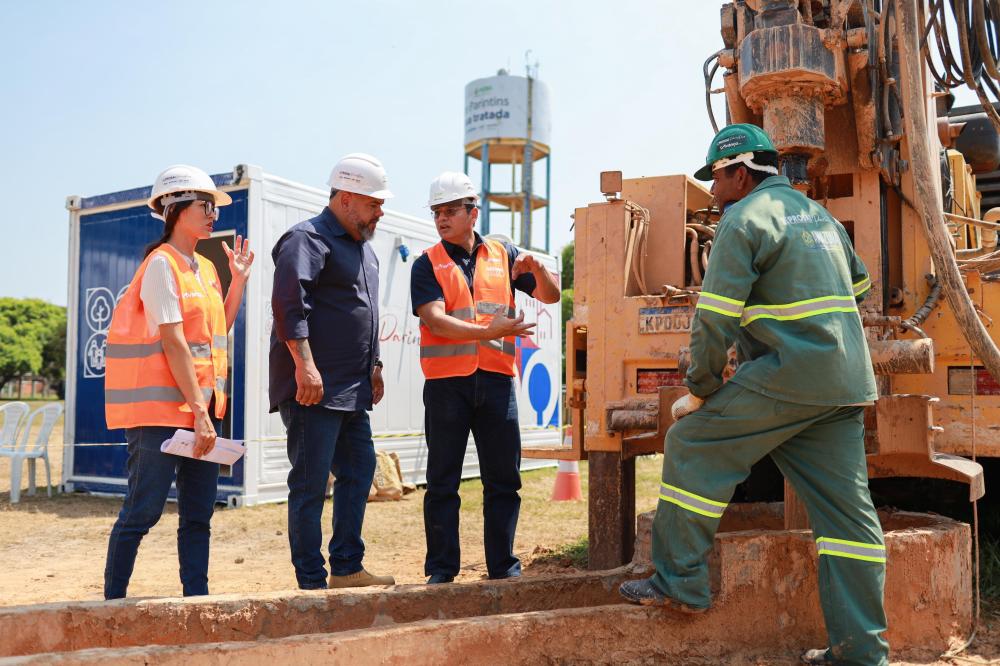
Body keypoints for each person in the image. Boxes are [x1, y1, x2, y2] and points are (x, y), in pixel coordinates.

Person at [618, 124, 888, 665]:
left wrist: (701, 388)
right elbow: (860, 286)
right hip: (844, 382)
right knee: (848, 522)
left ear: (741, 173)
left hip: (791, 374)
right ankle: (861, 654)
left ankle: (680, 584)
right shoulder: (821, 218)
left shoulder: (744, 220)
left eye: (716, 179)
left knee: (692, 443)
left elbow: (714, 317)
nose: (712, 192)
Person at [103, 164, 254, 599]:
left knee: (198, 515)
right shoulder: (160, 265)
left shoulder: (204, 267)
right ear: (174, 209)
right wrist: (200, 415)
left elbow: (217, 331)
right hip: (163, 415)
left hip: (202, 411)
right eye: (204, 206)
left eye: (213, 206)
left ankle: (197, 600)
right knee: (143, 511)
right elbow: (173, 343)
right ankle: (112, 603)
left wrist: (238, 281)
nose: (214, 214)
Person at [412, 171, 561, 584]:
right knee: (442, 482)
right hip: (446, 386)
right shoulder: (427, 263)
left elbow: (549, 296)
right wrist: (487, 332)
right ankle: (441, 571)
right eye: (436, 212)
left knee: (503, 480)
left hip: (496, 381)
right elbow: (435, 320)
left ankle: (503, 568)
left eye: (450, 210)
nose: (441, 218)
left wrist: (540, 270)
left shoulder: (503, 253)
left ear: (472, 212)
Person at [270, 153, 395, 590]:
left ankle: (346, 567)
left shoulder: (364, 250)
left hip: (353, 388)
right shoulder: (306, 239)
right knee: (309, 485)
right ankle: (311, 581)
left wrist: (374, 366)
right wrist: (304, 364)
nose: (380, 211)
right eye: (373, 203)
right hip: (313, 389)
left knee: (360, 471)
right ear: (345, 198)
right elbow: (289, 306)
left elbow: (367, 314)